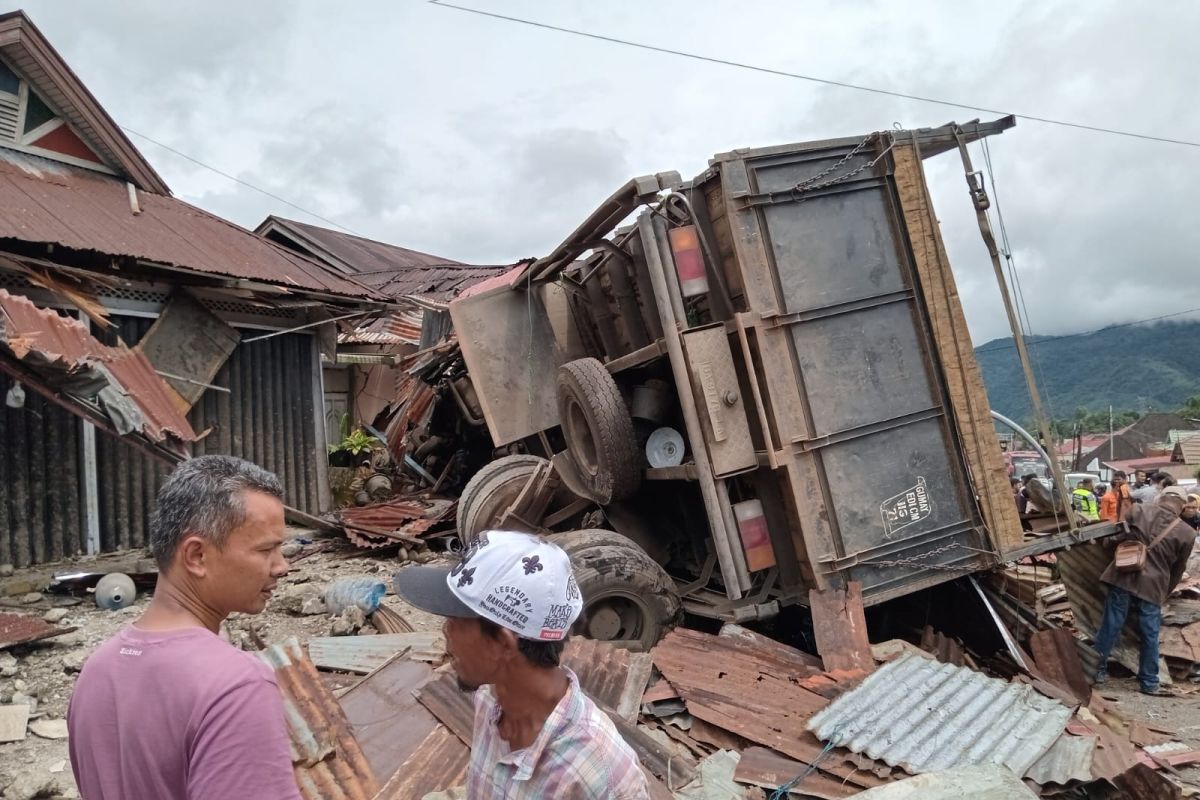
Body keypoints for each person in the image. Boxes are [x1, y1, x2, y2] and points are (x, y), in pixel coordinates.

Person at [68, 456, 299, 800]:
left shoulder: (96, 671)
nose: (282, 566)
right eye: (266, 549)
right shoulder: (236, 687)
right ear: (196, 556)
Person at [394, 530, 650, 799]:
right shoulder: (490, 700)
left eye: (454, 622)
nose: (444, 632)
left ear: (503, 644)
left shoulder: (602, 779)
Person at [1093, 486, 1198, 695]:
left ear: (1161, 498)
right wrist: (1165, 592)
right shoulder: (1187, 533)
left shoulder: (1138, 510)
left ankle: (1096, 671)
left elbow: (1117, 535)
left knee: (1110, 626)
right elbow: (1179, 569)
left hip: (1123, 577)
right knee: (1150, 635)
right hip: (1153, 587)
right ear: (1182, 506)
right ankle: (1149, 682)